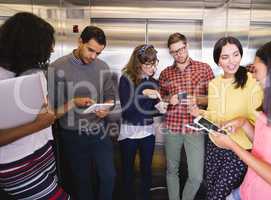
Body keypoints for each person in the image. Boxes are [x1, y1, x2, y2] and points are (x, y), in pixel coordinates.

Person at [211, 36, 271, 200]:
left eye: (257, 72)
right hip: (247, 190)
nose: (254, 77)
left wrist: (233, 145)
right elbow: (264, 145)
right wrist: (243, 123)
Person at [0, 12, 70, 199]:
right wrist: (39, 124)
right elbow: (41, 120)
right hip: (16, 164)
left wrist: (70, 104)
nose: (50, 52)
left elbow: (45, 114)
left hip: (43, 151)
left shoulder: (35, 72)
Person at [190, 36, 263, 199]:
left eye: (236, 54)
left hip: (238, 151)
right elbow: (215, 114)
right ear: (218, 61)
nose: (232, 61)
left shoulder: (252, 81)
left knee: (218, 195)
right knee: (211, 191)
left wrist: (240, 122)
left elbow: (258, 120)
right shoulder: (214, 83)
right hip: (214, 146)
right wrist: (199, 113)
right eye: (225, 57)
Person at [49, 26, 116, 200]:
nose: (93, 57)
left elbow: (111, 98)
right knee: (82, 181)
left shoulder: (103, 67)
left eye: (98, 53)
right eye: (90, 50)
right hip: (72, 134)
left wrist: (106, 108)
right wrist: (73, 102)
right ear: (80, 41)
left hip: (99, 131)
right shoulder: (57, 68)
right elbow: (51, 113)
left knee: (109, 176)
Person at [159, 32, 214, 200]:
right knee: (171, 170)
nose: (179, 54)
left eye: (181, 49)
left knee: (196, 176)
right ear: (170, 52)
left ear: (187, 46)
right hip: (172, 127)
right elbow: (160, 100)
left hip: (195, 128)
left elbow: (213, 98)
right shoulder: (165, 73)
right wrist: (169, 100)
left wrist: (197, 99)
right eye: (174, 51)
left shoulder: (204, 68)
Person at [118, 44, 160, 200]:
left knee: (147, 170)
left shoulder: (154, 82)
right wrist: (143, 93)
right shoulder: (126, 79)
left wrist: (161, 108)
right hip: (128, 133)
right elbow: (127, 110)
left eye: (154, 63)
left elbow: (150, 110)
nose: (152, 67)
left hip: (147, 132)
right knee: (127, 171)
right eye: (147, 64)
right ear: (137, 63)